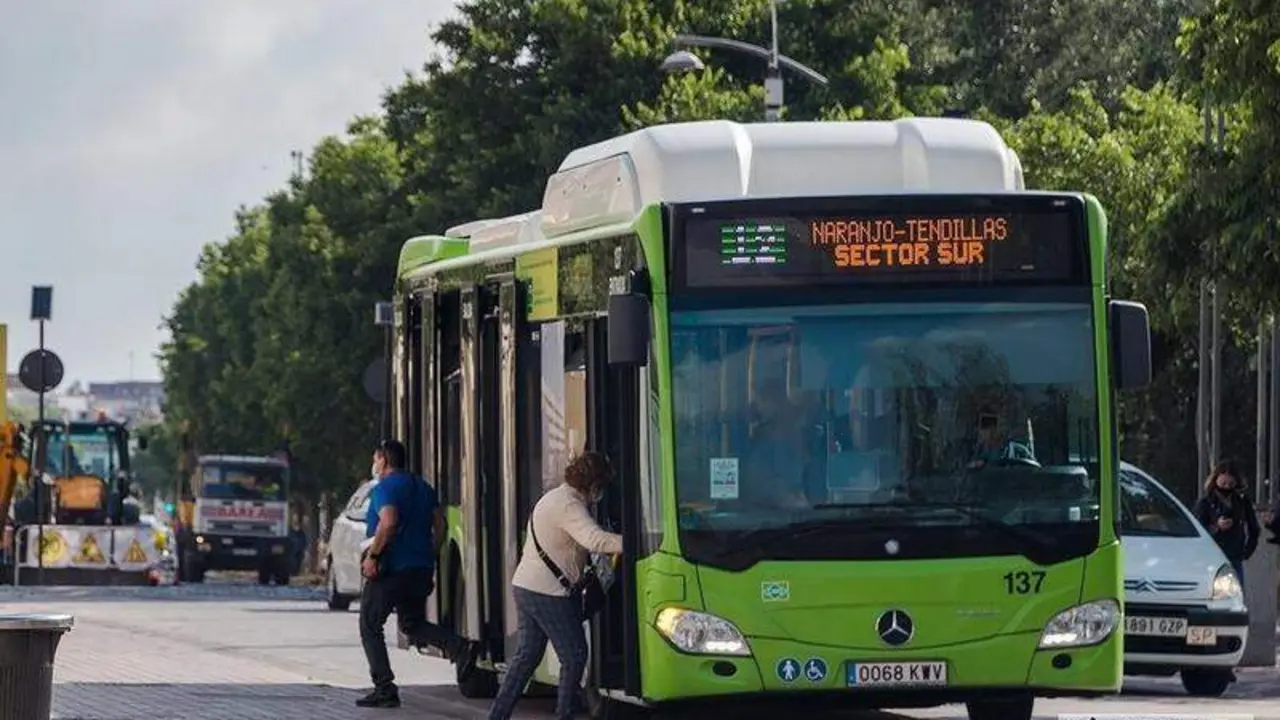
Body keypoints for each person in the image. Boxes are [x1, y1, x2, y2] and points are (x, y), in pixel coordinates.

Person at [488, 452, 623, 720]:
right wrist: (631, 542)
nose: (601, 494)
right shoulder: (569, 506)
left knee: (526, 656)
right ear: (593, 485)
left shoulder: (553, 497)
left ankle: (498, 715)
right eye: (601, 487)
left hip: (526, 586)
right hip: (548, 592)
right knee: (574, 654)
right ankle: (564, 715)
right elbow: (594, 540)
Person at [357, 439, 469, 709]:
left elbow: (389, 521)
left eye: (375, 459)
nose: (374, 464)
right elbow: (440, 525)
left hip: (392, 569)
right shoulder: (423, 487)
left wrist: (373, 556)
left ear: (384, 460)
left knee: (370, 624)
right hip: (420, 568)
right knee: (412, 623)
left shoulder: (385, 488)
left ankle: (384, 688)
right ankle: (459, 646)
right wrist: (430, 554)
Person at [1193, 459, 1260, 583]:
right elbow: (1197, 529)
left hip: (1234, 554)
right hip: (1212, 555)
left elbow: (1254, 527)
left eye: (1231, 484)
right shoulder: (1205, 503)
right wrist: (1216, 527)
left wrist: (1247, 550)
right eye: (1223, 484)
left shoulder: (1242, 502)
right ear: (1215, 480)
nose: (1227, 487)